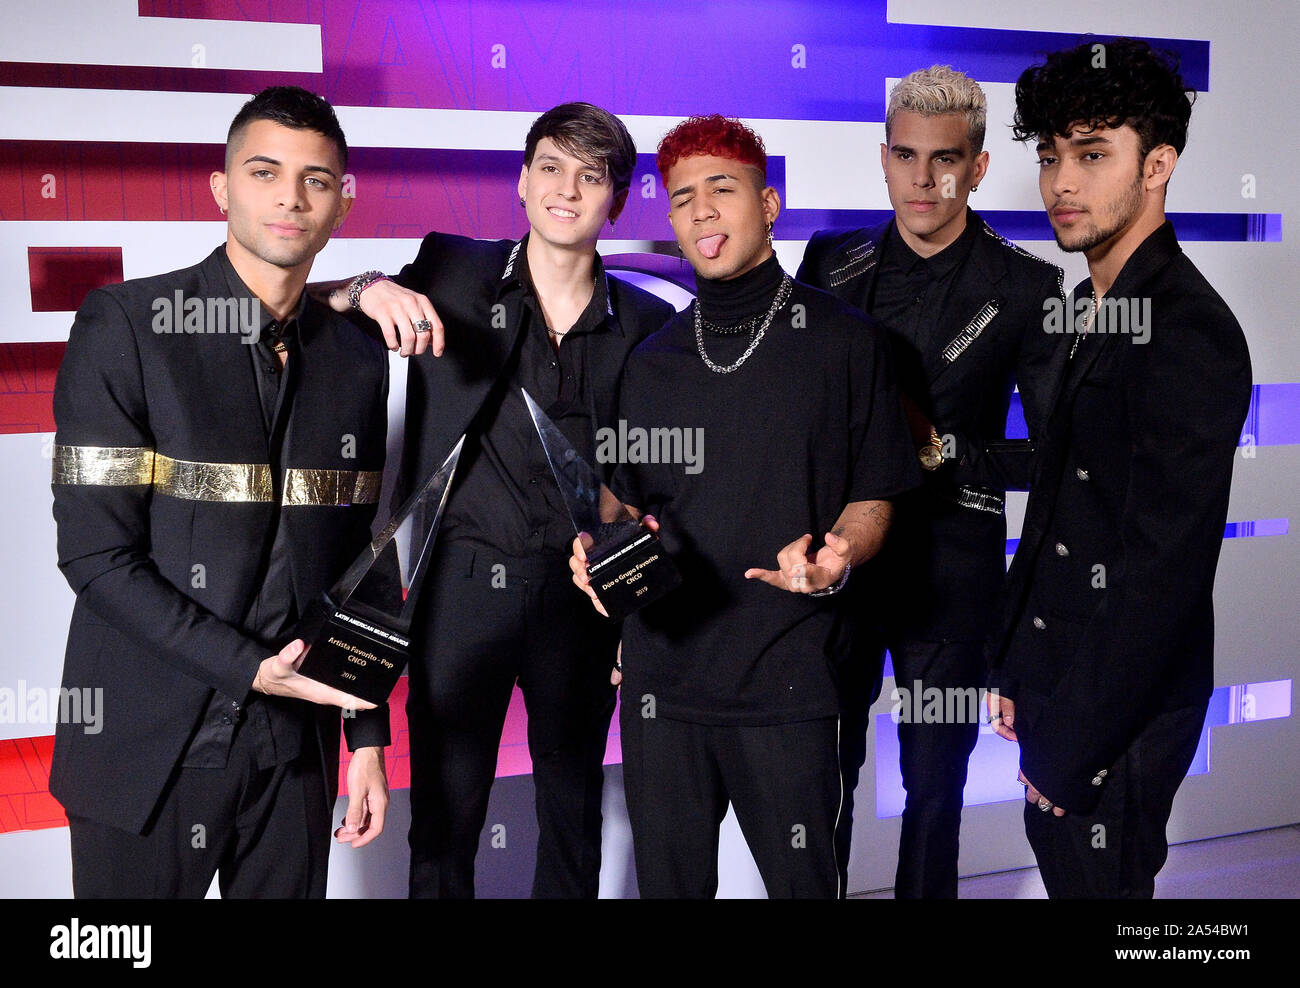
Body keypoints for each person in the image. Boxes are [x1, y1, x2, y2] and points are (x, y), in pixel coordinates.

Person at [319, 102, 674, 898]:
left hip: (580, 601)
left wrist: (635, 614)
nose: (566, 189)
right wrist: (369, 287)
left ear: (616, 201)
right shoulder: (451, 268)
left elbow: (655, 489)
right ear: (521, 180)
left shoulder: (648, 324)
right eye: (550, 167)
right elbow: (311, 301)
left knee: (574, 819)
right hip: (458, 589)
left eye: (592, 176)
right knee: (444, 826)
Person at [49, 86, 392, 898]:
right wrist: (253, 669)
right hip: (146, 745)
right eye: (264, 171)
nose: (289, 197)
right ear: (222, 186)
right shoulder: (126, 325)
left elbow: (359, 563)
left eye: (316, 179)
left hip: (292, 755)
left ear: (343, 201)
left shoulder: (356, 354)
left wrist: (367, 735)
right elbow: (95, 557)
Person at [570, 114, 921, 898]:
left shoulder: (846, 343)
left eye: (721, 190)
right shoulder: (651, 360)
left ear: (768, 204)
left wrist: (839, 555)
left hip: (790, 684)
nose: (700, 211)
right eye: (683, 197)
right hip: (664, 687)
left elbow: (874, 493)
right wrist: (600, 550)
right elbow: (620, 503)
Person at [987, 38, 1252, 898]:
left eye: (1094, 155)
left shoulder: (1188, 329)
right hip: (1061, 681)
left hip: (1121, 714)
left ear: (1159, 164)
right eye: (1052, 155)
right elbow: (1062, 506)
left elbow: (1162, 571)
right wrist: (1018, 665)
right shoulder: (1090, 307)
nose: (1062, 182)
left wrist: (1073, 745)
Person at [797, 65, 1066, 898]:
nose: (924, 178)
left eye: (945, 159)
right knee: (817, 781)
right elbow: (791, 420)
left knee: (934, 790)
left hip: (951, 578)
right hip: (837, 568)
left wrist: (942, 451)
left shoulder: (1026, 289)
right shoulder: (829, 261)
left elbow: (1057, 459)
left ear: (977, 167)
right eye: (906, 156)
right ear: (883, 158)